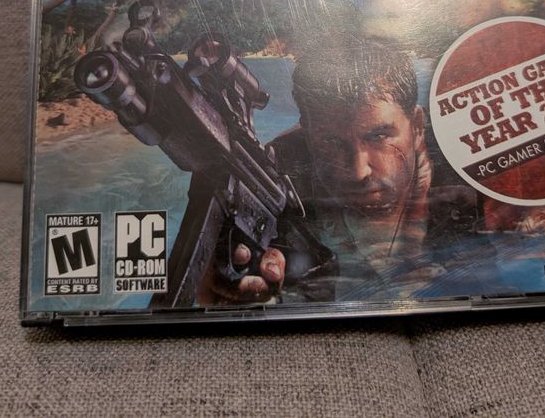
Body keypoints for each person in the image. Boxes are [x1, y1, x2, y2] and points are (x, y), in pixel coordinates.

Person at [199, 34, 486, 304]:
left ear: (417, 126)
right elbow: (218, 283)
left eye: (378, 136)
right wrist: (221, 286)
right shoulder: (274, 178)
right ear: (308, 135)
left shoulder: (473, 174)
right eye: (331, 143)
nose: (358, 171)